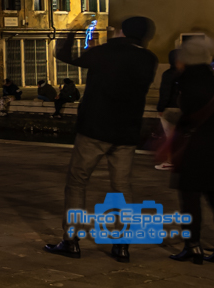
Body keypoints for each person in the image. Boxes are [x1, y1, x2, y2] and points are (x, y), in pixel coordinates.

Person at [44, 16, 159, 262]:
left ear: (122, 32)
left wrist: (73, 30)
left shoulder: (105, 52)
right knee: (122, 187)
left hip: (94, 129)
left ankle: (71, 241)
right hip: (127, 132)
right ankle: (122, 245)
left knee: (77, 182)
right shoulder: (149, 59)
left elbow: (63, 55)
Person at [166, 37, 214, 264]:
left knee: (190, 201)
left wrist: (173, 117)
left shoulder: (184, 81)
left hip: (191, 148)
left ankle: (193, 246)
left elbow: (183, 115)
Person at [156, 49, 182, 170]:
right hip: (184, 108)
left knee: (169, 138)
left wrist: (161, 108)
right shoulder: (187, 74)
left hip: (170, 108)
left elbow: (165, 93)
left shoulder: (168, 74)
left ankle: (170, 161)